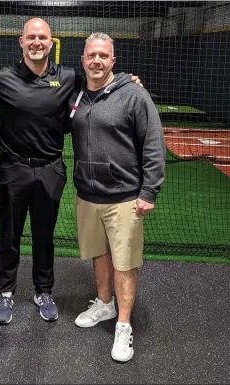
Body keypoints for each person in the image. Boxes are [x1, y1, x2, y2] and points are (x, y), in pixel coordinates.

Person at [0, 18, 143, 325]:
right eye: (32, 37)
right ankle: (6, 292)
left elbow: (101, 79)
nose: (37, 42)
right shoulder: (3, 77)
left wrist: (126, 80)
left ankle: (44, 291)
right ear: (22, 42)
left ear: (51, 42)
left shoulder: (67, 76)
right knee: (9, 236)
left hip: (51, 170)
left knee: (44, 236)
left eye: (43, 37)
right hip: (13, 170)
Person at [68, 33, 166, 363]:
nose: (96, 60)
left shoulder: (134, 95)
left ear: (113, 60)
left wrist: (149, 190)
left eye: (103, 56)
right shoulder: (77, 94)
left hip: (125, 196)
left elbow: (153, 143)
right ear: (83, 60)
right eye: (91, 55)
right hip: (88, 194)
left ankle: (123, 324)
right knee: (99, 253)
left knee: (125, 262)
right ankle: (104, 304)